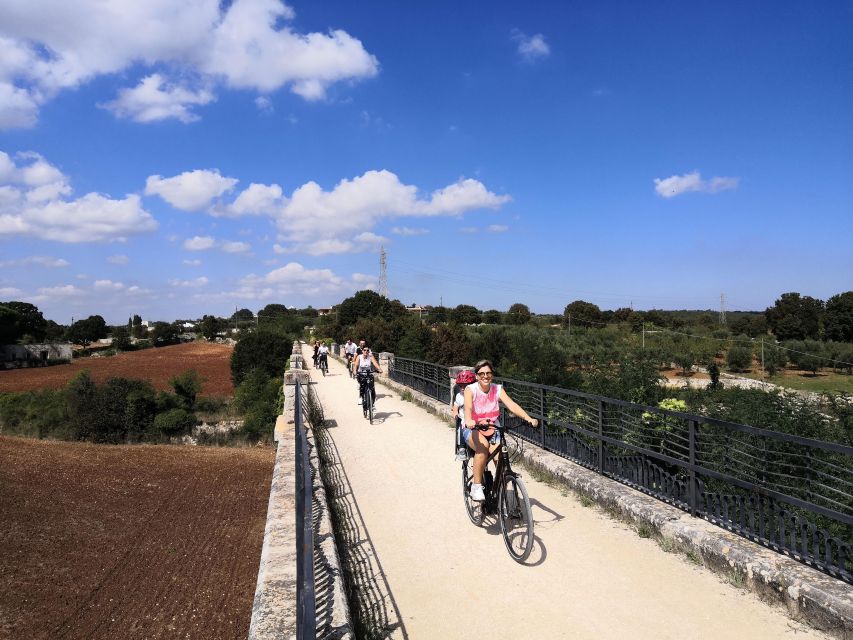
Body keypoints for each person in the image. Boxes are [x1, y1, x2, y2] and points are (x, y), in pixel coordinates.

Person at [464, 360, 538, 502]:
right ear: (477, 376)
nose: (485, 376)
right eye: (482, 374)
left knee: (501, 457)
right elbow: (468, 408)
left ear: (492, 374)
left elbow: (511, 404)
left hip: (493, 427)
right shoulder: (470, 390)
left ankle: (501, 490)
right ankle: (477, 486)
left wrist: (528, 418)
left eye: (488, 373)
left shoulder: (497, 389)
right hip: (474, 427)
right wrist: (469, 420)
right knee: (483, 448)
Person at [452, 370, 476, 460]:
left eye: (465, 386)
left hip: (476, 419)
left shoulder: (476, 394)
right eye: (460, 386)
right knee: (462, 427)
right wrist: (455, 414)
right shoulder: (459, 396)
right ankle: (462, 448)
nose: (462, 388)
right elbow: (455, 407)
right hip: (464, 419)